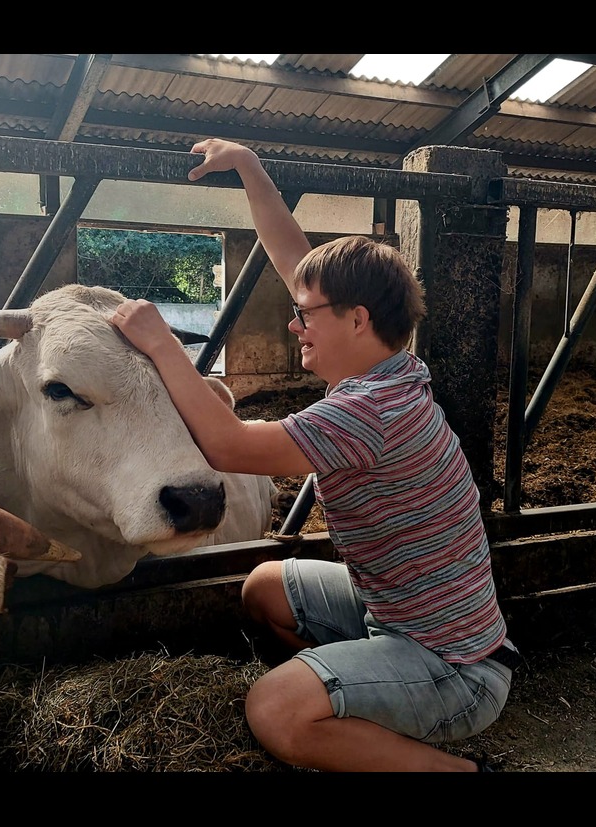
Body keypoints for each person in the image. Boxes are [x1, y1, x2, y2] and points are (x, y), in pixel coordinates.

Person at [109, 137, 519, 772]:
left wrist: (163, 345)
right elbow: (296, 263)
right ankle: (347, 708)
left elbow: (228, 445)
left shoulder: (366, 413)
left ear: (357, 320)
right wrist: (250, 168)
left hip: (455, 673)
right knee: (264, 589)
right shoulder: (390, 368)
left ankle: (461, 769)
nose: (292, 325)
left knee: (270, 710)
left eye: (304, 317)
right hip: (397, 617)